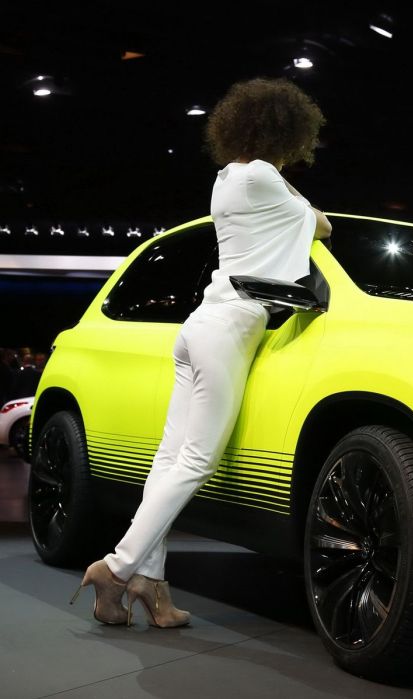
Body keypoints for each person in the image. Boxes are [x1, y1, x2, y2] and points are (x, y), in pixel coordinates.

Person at [70, 77, 332, 627]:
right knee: (196, 460)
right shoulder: (264, 176)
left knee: (169, 460)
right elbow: (323, 227)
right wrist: (303, 205)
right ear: (287, 130)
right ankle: (115, 568)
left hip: (200, 323)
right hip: (232, 325)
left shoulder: (225, 178)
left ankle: (149, 581)